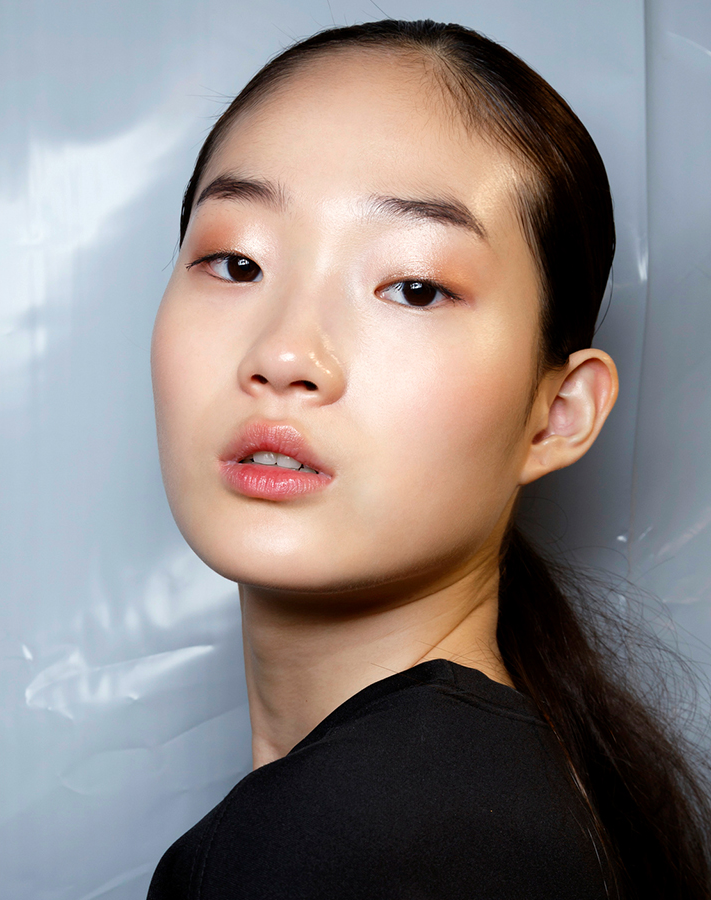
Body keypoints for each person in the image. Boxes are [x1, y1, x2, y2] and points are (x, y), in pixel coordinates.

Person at [145, 19, 711, 900]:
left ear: (557, 415)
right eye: (236, 262)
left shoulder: (368, 836)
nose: (285, 354)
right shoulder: (481, 799)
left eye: (413, 288)